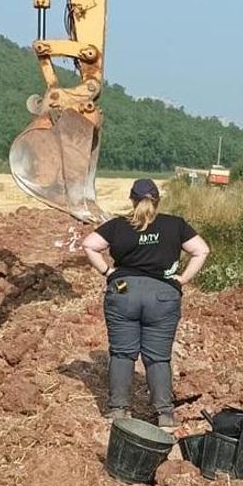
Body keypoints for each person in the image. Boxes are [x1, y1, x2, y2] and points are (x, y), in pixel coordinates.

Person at [82, 178, 210, 428]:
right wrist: (182, 279)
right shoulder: (175, 224)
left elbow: (89, 245)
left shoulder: (118, 225)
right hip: (163, 296)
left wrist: (108, 272)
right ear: (157, 201)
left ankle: (119, 409)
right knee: (158, 358)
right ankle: (164, 414)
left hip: (124, 291)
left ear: (131, 200)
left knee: (122, 353)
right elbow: (201, 250)